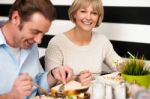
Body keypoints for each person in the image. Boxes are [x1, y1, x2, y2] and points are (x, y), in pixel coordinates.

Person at [0, 0, 73, 99]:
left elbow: (36, 83)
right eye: (35, 31)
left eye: (42, 33)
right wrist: (11, 96)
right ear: (16, 18)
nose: (38, 41)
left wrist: (53, 75)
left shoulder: (30, 44)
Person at [45, 0, 122, 86]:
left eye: (94, 13)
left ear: (98, 17)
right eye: (83, 11)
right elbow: (49, 85)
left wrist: (136, 67)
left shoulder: (102, 41)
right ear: (74, 13)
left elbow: (119, 65)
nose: (88, 17)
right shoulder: (56, 43)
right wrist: (76, 82)